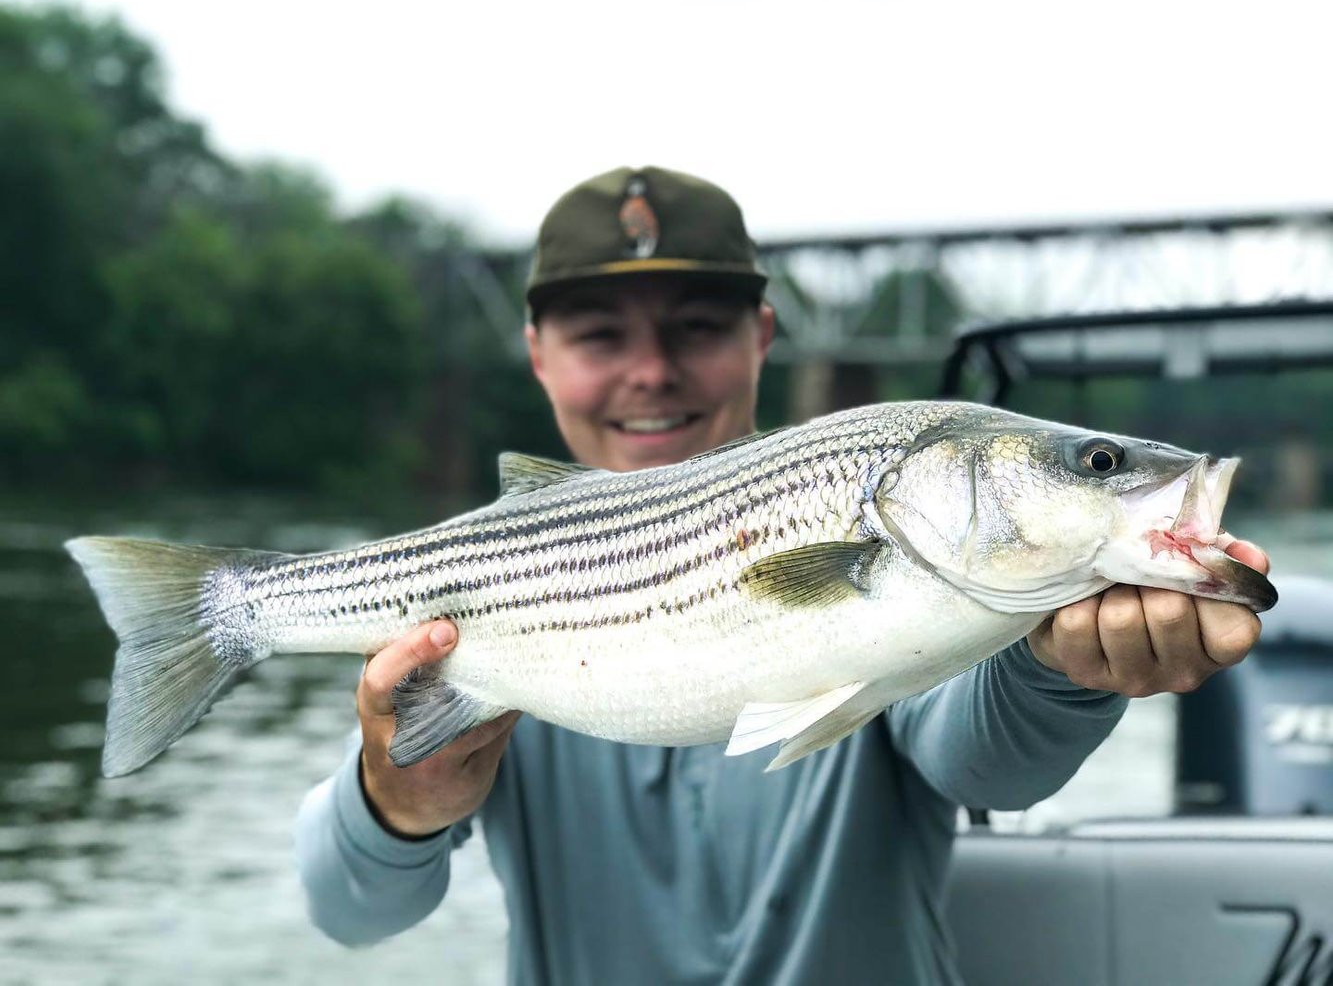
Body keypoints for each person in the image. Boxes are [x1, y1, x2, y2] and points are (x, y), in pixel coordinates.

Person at [294, 167, 1269, 983]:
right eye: (600, 336)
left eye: (696, 329)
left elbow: (987, 763)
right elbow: (348, 910)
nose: (650, 372)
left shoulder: (939, 582)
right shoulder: (500, 577)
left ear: (761, 337)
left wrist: (1061, 667)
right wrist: (399, 798)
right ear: (537, 357)